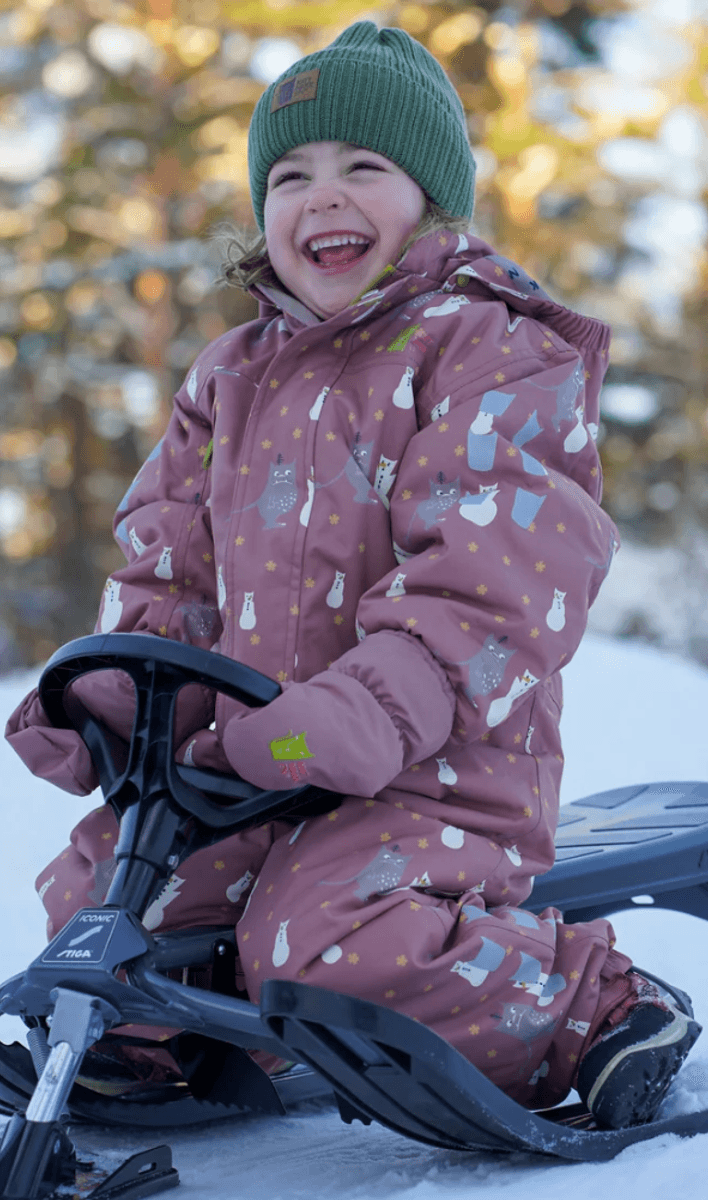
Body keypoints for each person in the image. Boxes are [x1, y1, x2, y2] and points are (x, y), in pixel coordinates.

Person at [5, 21, 700, 1129]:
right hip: (250, 757)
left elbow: (495, 577)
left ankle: (592, 1008)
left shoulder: (489, 348)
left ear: (430, 199)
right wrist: (114, 704)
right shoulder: (228, 376)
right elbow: (165, 569)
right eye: (290, 176)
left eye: (363, 167)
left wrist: (376, 703)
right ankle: (171, 1032)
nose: (322, 197)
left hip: (435, 768)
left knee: (323, 935)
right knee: (103, 897)